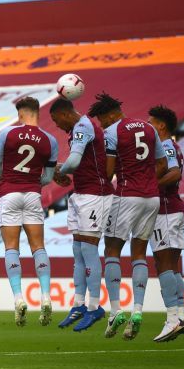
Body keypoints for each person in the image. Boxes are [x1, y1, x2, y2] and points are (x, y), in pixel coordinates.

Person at [88, 93, 176, 340]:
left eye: (102, 120)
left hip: (127, 195)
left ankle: (116, 310)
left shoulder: (113, 133)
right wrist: (147, 179)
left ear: (110, 114)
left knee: (112, 249)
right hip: (152, 198)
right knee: (139, 252)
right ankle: (138, 310)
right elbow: (162, 164)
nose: (102, 125)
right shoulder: (148, 129)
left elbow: (107, 171)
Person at [0, 97, 58, 327]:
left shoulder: (7, 134)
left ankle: (19, 298)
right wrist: (32, 181)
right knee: (38, 246)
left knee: (12, 248)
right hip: (32, 194)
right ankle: (46, 296)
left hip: (9, 193)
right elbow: (48, 178)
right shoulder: (50, 140)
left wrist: (6, 181)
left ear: (20, 114)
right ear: (37, 113)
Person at [49, 98, 114, 331]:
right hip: (81, 193)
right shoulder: (79, 128)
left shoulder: (83, 127)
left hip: (96, 194)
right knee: (78, 251)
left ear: (65, 114)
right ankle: (78, 304)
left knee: (88, 249)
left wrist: (59, 169)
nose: (57, 125)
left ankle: (94, 306)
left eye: (56, 120)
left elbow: (74, 161)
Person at [147, 105, 184, 342]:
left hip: (166, 211)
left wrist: (151, 187)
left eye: (151, 122)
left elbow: (174, 173)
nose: (148, 127)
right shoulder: (174, 146)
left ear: (161, 125)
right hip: (175, 209)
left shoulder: (165, 146)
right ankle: (180, 317)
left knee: (163, 264)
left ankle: (172, 319)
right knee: (172, 266)